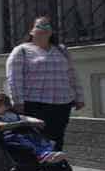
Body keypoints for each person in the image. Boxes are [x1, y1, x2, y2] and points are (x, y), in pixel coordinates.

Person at [5, 15, 85, 151]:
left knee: (57, 138)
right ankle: (36, 169)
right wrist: (17, 101)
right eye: (39, 26)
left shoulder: (61, 49)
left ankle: (54, 169)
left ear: (51, 31)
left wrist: (79, 97)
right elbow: (14, 78)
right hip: (35, 104)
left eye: (47, 26)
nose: (43, 29)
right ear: (31, 31)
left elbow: (72, 74)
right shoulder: (22, 50)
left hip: (62, 103)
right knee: (38, 138)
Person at [0, 91, 67, 164]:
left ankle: (50, 153)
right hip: (2, 139)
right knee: (23, 139)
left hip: (19, 135)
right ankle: (42, 155)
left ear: (7, 107)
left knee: (37, 137)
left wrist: (36, 121)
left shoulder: (10, 115)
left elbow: (24, 117)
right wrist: (19, 124)